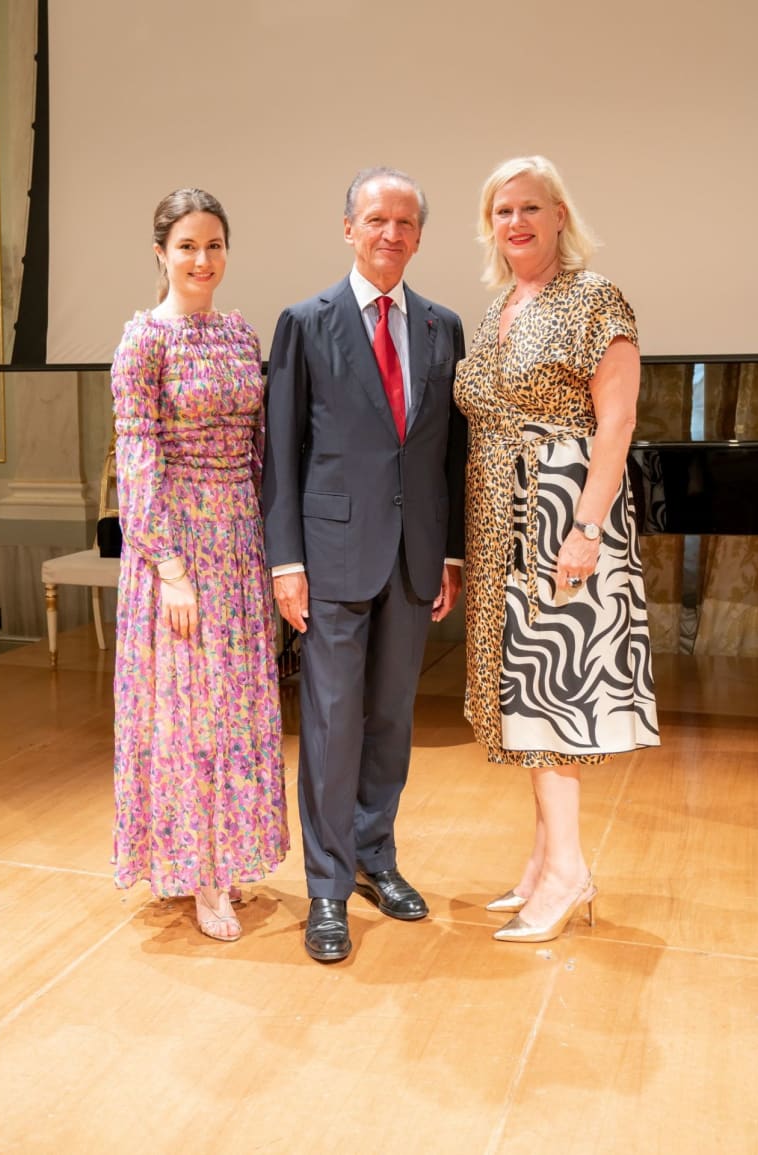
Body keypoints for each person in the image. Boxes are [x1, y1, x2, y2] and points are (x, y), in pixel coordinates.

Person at [263, 166, 467, 963]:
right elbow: (282, 451)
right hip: (332, 556)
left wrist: (448, 550)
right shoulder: (304, 323)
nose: (391, 234)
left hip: (415, 560)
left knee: (391, 719)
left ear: (419, 236)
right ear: (348, 228)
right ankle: (325, 885)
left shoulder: (443, 326)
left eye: (406, 222)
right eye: (377, 219)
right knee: (330, 721)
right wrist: (285, 561)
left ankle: (375, 857)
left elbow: (448, 453)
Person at [453, 156, 660, 944]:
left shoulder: (595, 299)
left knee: (551, 691)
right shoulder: (497, 307)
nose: (516, 223)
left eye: (531, 208)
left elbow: (617, 420)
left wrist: (585, 528)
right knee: (519, 693)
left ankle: (570, 870)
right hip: (499, 518)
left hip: (562, 510)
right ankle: (546, 860)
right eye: (503, 211)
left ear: (560, 216)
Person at [111, 188, 288, 942]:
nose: (202, 259)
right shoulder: (144, 338)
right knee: (191, 715)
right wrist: (169, 566)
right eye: (187, 245)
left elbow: (257, 449)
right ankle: (200, 872)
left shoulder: (240, 332)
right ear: (161, 252)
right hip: (176, 547)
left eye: (214, 244)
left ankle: (229, 853)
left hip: (238, 544)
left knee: (238, 708)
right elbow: (138, 454)